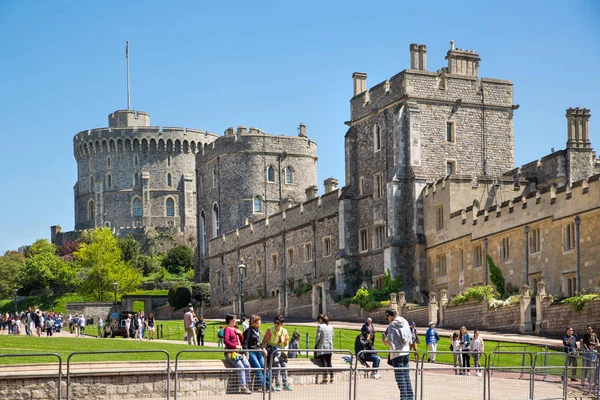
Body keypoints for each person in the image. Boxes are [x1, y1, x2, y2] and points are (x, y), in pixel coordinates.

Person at [383, 308, 414, 400]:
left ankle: (404, 398)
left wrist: (384, 342)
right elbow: (409, 336)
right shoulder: (404, 321)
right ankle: (410, 397)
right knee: (406, 376)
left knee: (400, 378)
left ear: (390, 316)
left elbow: (391, 341)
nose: (387, 319)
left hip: (397, 353)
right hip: (406, 351)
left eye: (387, 317)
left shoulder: (392, 325)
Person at [223, 313, 252, 394]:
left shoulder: (235, 329)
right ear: (230, 320)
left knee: (247, 365)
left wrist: (241, 334)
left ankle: (247, 384)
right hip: (231, 353)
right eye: (234, 319)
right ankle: (243, 386)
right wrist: (235, 346)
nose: (236, 320)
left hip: (239, 353)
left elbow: (242, 341)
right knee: (240, 366)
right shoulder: (227, 329)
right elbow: (226, 341)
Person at [262, 315, 292, 391]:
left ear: (281, 324)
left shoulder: (284, 331)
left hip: (280, 350)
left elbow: (286, 344)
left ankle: (285, 384)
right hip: (272, 351)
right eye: (275, 322)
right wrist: (264, 350)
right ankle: (277, 384)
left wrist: (285, 352)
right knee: (277, 363)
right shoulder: (270, 330)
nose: (276, 324)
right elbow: (264, 342)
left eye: (278, 323)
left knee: (284, 364)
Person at [242, 314, 270, 392]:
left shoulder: (257, 330)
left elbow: (258, 342)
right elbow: (245, 343)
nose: (260, 322)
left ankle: (268, 386)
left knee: (264, 368)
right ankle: (263, 386)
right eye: (259, 320)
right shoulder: (248, 331)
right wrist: (246, 353)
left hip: (259, 352)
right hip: (252, 352)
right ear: (254, 322)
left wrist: (263, 348)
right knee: (258, 368)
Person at [315, 314, 334, 384]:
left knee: (324, 363)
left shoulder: (320, 326)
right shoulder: (331, 327)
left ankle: (325, 377)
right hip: (329, 347)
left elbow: (318, 337)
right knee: (329, 362)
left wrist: (316, 343)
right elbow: (333, 336)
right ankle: (332, 376)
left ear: (320, 319)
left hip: (322, 347)